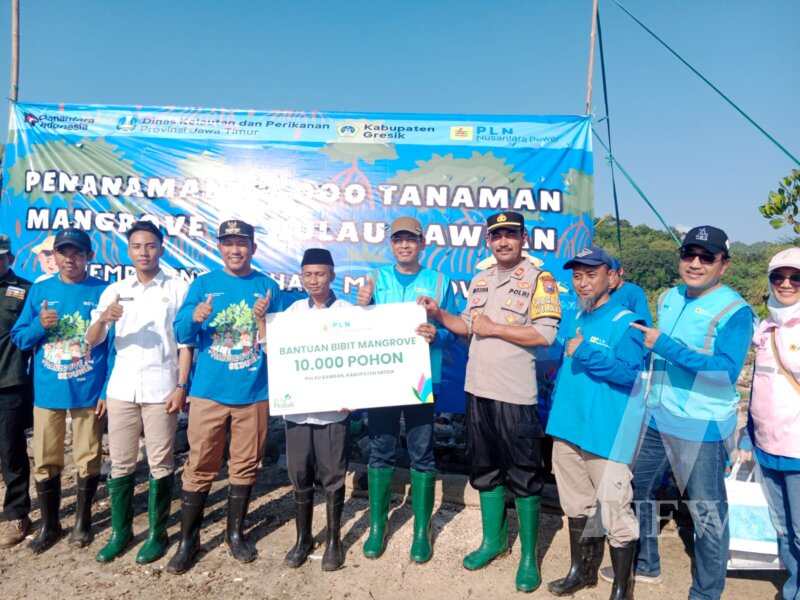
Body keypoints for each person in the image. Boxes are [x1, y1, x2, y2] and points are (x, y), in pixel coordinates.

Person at [420, 211, 561, 593]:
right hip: (477, 391)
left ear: (523, 238)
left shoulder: (540, 280)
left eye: (510, 235)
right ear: (488, 240)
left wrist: (495, 328)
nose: (503, 241)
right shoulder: (480, 280)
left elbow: (546, 335)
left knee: (525, 475)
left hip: (515, 395)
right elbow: (467, 324)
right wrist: (439, 314)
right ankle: (493, 542)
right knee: (484, 470)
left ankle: (529, 558)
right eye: (496, 235)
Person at [619, 226, 753, 600]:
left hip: (702, 425)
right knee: (638, 489)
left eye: (706, 257)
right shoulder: (669, 296)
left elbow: (726, 372)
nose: (695, 263)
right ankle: (647, 562)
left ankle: (707, 591)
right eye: (688, 254)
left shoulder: (736, 311)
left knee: (707, 513)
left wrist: (665, 344)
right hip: (657, 415)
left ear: (723, 265)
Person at [167, 219, 282, 574]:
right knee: (200, 463)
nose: (236, 250)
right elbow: (181, 331)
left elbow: (280, 341)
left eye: (242, 243)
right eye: (229, 243)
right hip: (208, 392)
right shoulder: (203, 285)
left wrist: (266, 322)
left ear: (253, 248)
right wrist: (197, 317)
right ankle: (190, 540)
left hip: (253, 392)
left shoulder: (268, 286)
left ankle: (235, 533)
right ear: (219, 247)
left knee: (246, 464)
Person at [86, 221, 192, 564]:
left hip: (162, 386)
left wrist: (181, 386)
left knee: (160, 460)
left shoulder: (177, 287)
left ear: (161, 248)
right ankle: (120, 532)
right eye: (136, 246)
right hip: (121, 388)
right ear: (128, 251)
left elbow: (187, 341)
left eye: (150, 246)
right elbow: (92, 340)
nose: (143, 252)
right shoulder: (115, 290)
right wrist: (104, 318)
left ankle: (157, 534)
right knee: (120, 461)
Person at [545, 246, 647, 600]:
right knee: (576, 506)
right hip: (568, 427)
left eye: (591, 274)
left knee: (616, 512)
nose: (583, 282)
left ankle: (622, 589)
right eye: (577, 276)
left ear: (612, 277)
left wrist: (585, 353)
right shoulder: (575, 315)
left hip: (606, 434)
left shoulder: (628, 322)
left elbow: (630, 374)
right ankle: (581, 572)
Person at [355, 216, 458, 563]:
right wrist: (362, 307)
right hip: (383, 378)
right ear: (391, 244)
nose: (404, 245)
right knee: (380, 449)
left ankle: (420, 532)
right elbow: (358, 328)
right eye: (398, 239)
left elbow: (454, 325)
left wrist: (437, 333)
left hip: (420, 378)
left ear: (422, 243)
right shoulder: (375, 279)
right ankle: (377, 527)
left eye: (410, 239)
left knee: (422, 451)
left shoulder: (439, 280)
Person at [10, 228, 108, 553]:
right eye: (63, 252)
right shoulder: (40, 292)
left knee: (88, 456)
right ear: (54, 256)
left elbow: (115, 347)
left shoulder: (104, 292)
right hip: (49, 392)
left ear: (89, 257)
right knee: (46, 459)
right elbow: (20, 339)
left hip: (87, 390)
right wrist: (40, 325)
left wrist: (106, 389)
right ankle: (50, 525)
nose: (70, 258)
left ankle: (82, 522)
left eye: (77, 252)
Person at [282, 248, 351, 571]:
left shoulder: (349, 312)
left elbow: (359, 357)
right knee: (300, 473)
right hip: (297, 410)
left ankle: (335, 540)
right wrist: (259, 322)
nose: (314, 280)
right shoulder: (293, 311)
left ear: (332, 275)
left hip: (333, 411)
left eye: (320, 273)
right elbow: (277, 352)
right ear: (301, 276)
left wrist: (355, 393)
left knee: (333, 475)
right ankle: (303, 538)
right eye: (308, 274)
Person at [744, 247, 800, 600]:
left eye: (796, 277)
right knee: (782, 528)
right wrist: (746, 435)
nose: (786, 283)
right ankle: (793, 585)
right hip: (766, 446)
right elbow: (757, 384)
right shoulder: (765, 327)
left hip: (797, 448)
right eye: (779, 276)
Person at [0, 234, 34, 548]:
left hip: (8, 383)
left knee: (10, 452)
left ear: (10, 258)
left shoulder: (25, 292)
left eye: (1, 257)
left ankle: (16, 512)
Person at [608, 257, 653, 325]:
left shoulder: (634, 292)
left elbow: (645, 322)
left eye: (611, 275)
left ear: (620, 271)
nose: (608, 279)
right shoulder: (602, 293)